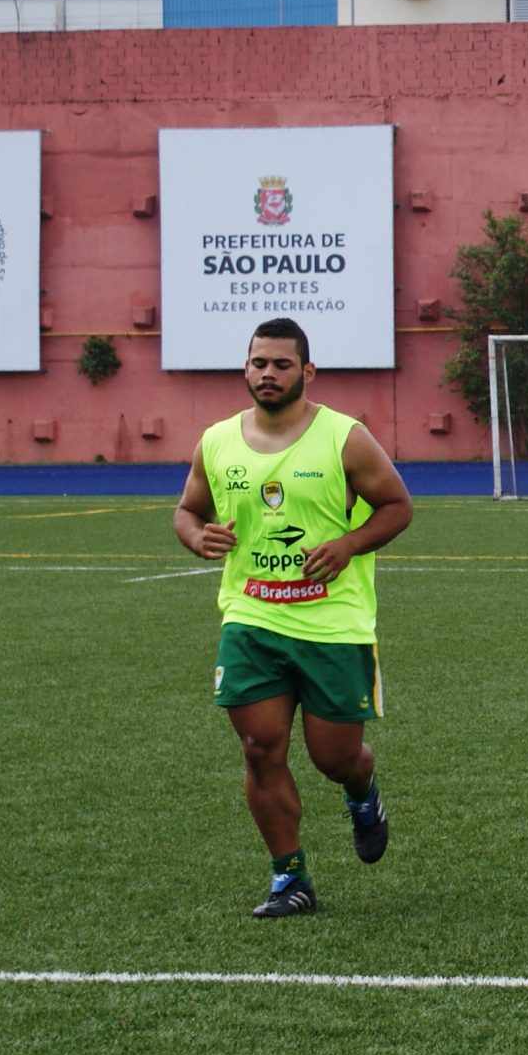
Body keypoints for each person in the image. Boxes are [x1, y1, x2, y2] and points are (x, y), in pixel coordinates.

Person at [175, 318, 414, 919]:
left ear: (307, 372)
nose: (268, 374)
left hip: (332, 624)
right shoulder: (217, 441)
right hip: (251, 618)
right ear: (245, 369)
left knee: (334, 757)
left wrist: (349, 545)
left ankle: (361, 792)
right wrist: (195, 535)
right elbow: (187, 510)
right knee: (260, 747)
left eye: (282, 364)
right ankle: (291, 879)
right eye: (259, 363)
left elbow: (397, 506)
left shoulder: (345, 438)